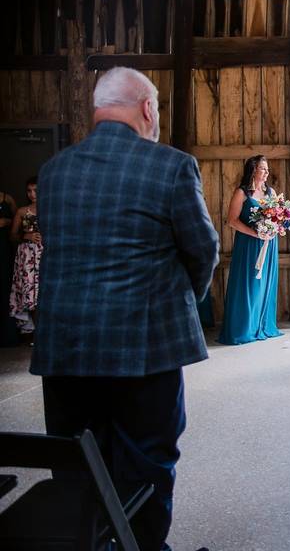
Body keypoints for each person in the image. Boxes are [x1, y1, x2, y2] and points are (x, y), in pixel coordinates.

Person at [31, 66, 219, 551]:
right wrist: (182, 303)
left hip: (66, 352)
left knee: (79, 465)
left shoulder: (53, 173)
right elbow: (203, 250)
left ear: (98, 110)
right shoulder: (171, 166)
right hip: (144, 352)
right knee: (148, 465)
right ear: (148, 109)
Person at [218, 155, 284, 345]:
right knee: (248, 285)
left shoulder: (271, 192)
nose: (267, 172)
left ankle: (262, 325)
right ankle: (242, 328)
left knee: (265, 284)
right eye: (263, 168)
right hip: (249, 245)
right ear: (253, 170)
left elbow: (276, 217)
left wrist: (274, 228)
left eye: (267, 169)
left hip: (269, 244)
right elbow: (231, 220)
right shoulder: (242, 193)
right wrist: (255, 234)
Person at [9, 177, 42, 337]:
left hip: (45, 252)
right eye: (29, 191)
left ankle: (48, 332)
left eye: (35, 190)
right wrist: (26, 236)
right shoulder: (22, 211)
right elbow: (12, 236)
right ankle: (36, 334)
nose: (32, 194)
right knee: (31, 292)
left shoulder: (50, 209)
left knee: (44, 291)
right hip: (28, 255)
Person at [0, 184, 18, 346]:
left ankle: (8, 336)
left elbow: (17, 226)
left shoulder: (7, 198)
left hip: (3, 248)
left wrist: (7, 221)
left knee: (5, 286)